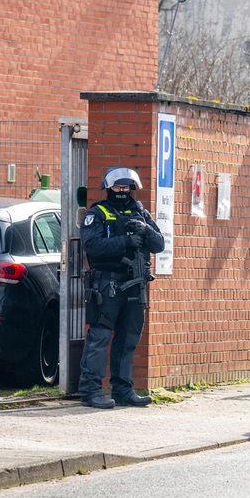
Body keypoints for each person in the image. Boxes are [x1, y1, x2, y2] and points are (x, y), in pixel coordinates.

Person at [78, 166, 164, 409]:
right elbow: (92, 246)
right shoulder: (97, 213)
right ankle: (91, 391)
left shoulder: (140, 212)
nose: (122, 191)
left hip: (135, 285)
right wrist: (125, 241)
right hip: (107, 283)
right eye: (117, 187)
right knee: (100, 337)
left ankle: (123, 389)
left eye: (126, 188)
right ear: (108, 188)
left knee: (128, 339)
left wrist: (146, 230)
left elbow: (159, 245)